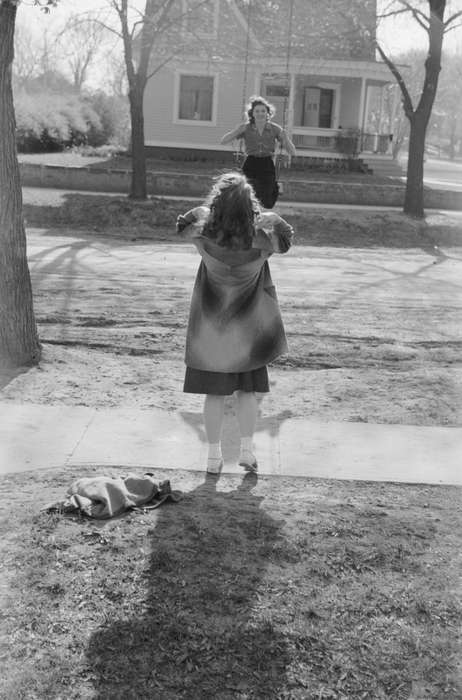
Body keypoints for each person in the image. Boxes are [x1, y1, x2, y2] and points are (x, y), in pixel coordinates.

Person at [176, 172, 294, 474]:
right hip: (249, 333)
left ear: (217, 203)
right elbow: (287, 238)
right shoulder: (263, 241)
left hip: (210, 333)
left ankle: (213, 458)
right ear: (249, 207)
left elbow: (182, 225)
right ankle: (245, 450)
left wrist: (203, 212)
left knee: (214, 396)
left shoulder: (203, 236)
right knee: (248, 395)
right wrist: (269, 217)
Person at [220, 95, 296, 210]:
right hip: (251, 163)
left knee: (268, 203)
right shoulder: (246, 128)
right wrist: (236, 130)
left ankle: (275, 187)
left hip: (267, 163)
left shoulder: (275, 129)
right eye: (257, 111)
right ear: (252, 113)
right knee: (247, 197)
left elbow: (292, 152)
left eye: (263, 111)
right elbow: (223, 141)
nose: (260, 113)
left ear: (268, 113)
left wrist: (285, 138)